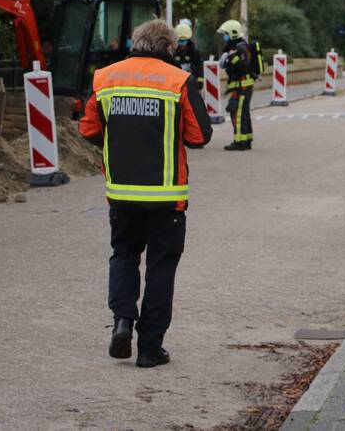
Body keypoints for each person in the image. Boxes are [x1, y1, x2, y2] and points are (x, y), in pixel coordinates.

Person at [78, 19, 213, 367]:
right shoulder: (178, 81)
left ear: (135, 42)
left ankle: (122, 320)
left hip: (121, 193)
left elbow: (89, 128)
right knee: (160, 268)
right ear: (170, 48)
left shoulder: (105, 77)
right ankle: (150, 349)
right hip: (166, 196)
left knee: (123, 254)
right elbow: (199, 137)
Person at [217, 19, 255, 151]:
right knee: (244, 113)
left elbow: (241, 66)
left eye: (225, 34)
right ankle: (247, 139)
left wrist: (228, 59)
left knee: (238, 114)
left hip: (242, 86)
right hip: (243, 86)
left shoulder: (241, 48)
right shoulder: (240, 47)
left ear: (232, 34)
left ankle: (239, 142)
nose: (224, 37)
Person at [173, 22, 204, 91]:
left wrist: (200, 81)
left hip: (191, 83)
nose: (182, 44)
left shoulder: (194, 52)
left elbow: (199, 66)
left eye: (184, 41)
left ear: (188, 40)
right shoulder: (173, 52)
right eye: (180, 41)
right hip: (176, 84)